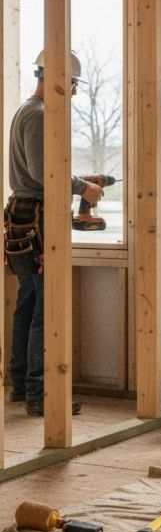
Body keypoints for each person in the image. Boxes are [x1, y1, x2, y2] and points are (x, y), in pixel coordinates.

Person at [6, 50, 103, 416]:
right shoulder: (41, 115)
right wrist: (84, 189)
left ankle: (20, 383)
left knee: (29, 303)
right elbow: (45, 171)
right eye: (74, 84)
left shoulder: (27, 111)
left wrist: (78, 182)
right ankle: (39, 392)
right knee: (45, 308)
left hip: (25, 218)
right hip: (38, 219)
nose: (75, 92)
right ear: (57, 78)